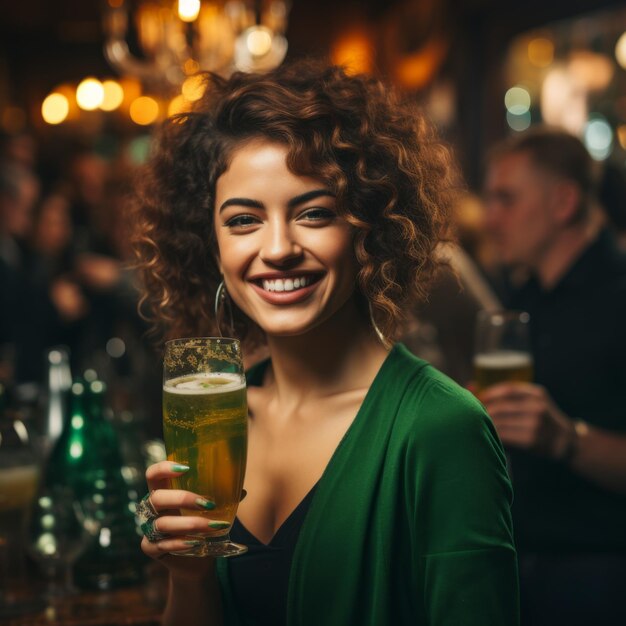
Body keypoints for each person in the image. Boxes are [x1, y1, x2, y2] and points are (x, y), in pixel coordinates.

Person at [133, 60, 518, 626]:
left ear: (368, 227)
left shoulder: (441, 428)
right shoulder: (216, 421)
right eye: (244, 221)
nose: (279, 248)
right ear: (209, 245)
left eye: (313, 213)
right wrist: (188, 577)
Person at [482, 127, 626, 626]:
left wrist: (567, 439)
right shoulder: (525, 299)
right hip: (518, 556)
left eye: (506, 199)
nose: (489, 218)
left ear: (564, 201)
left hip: (599, 570)